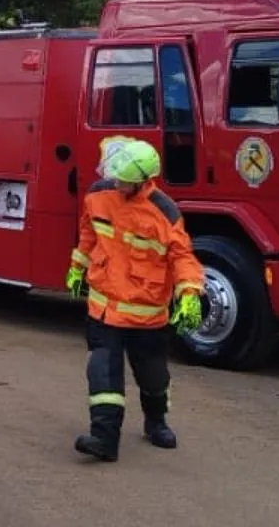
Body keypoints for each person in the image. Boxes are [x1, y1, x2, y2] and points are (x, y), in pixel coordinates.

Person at [65, 137, 205, 462]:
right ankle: (104, 438)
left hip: (146, 317)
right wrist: (76, 268)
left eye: (124, 180)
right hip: (103, 309)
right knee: (102, 371)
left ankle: (156, 422)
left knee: (153, 377)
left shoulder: (164, 212)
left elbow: (182, 257)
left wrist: (189, 292)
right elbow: (88, 234)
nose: (118, 183)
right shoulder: (98, 195)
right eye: (115, 176)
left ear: (143, 180)